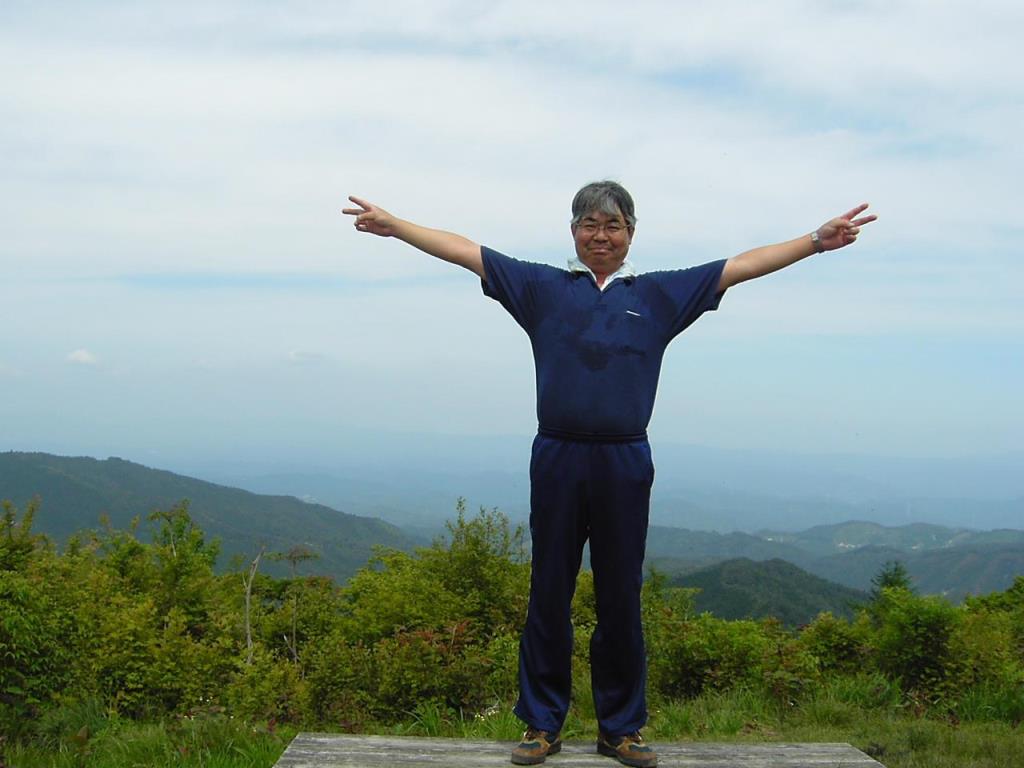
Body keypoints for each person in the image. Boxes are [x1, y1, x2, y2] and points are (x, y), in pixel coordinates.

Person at [342, 182, 876, 767]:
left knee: (621, 594)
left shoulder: (659, 294)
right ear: (573, 231)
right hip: (557, 455)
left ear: (631, 233)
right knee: (549, 589)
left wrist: (815, 241)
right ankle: (541, 724)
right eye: (590, 225)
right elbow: (466, 251)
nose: (601, 236)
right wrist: (397, 226)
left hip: (625, 459)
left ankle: (620, 729)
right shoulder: (543, 288)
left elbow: (742, 266)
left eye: (613, 225)